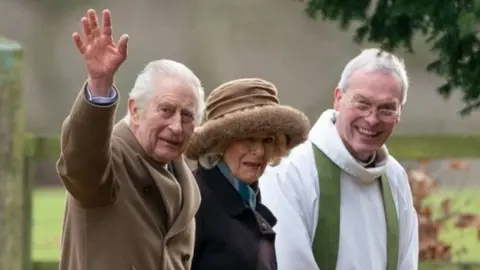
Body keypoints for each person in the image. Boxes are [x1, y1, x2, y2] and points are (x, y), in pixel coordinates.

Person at [55, 9, 205, 270]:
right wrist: (99, 86)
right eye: (166, 110)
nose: (177, 126)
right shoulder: (109, 162)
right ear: (135, 110)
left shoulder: (184, 180)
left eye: (188, 116)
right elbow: (80, 163)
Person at [259, 48, 419, 270]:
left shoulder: (395, 178)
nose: (372, 119)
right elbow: (289, 263)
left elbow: (406, 263)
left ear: (400, 112)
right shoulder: (290, 171)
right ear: (338, 99)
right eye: (362, 103)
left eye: (386, 109)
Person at [184, 78, 310, 270]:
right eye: (247, 139)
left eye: (268, 140)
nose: (259, 151)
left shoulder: (249, 200)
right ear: (220, 143)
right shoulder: (194, 202)